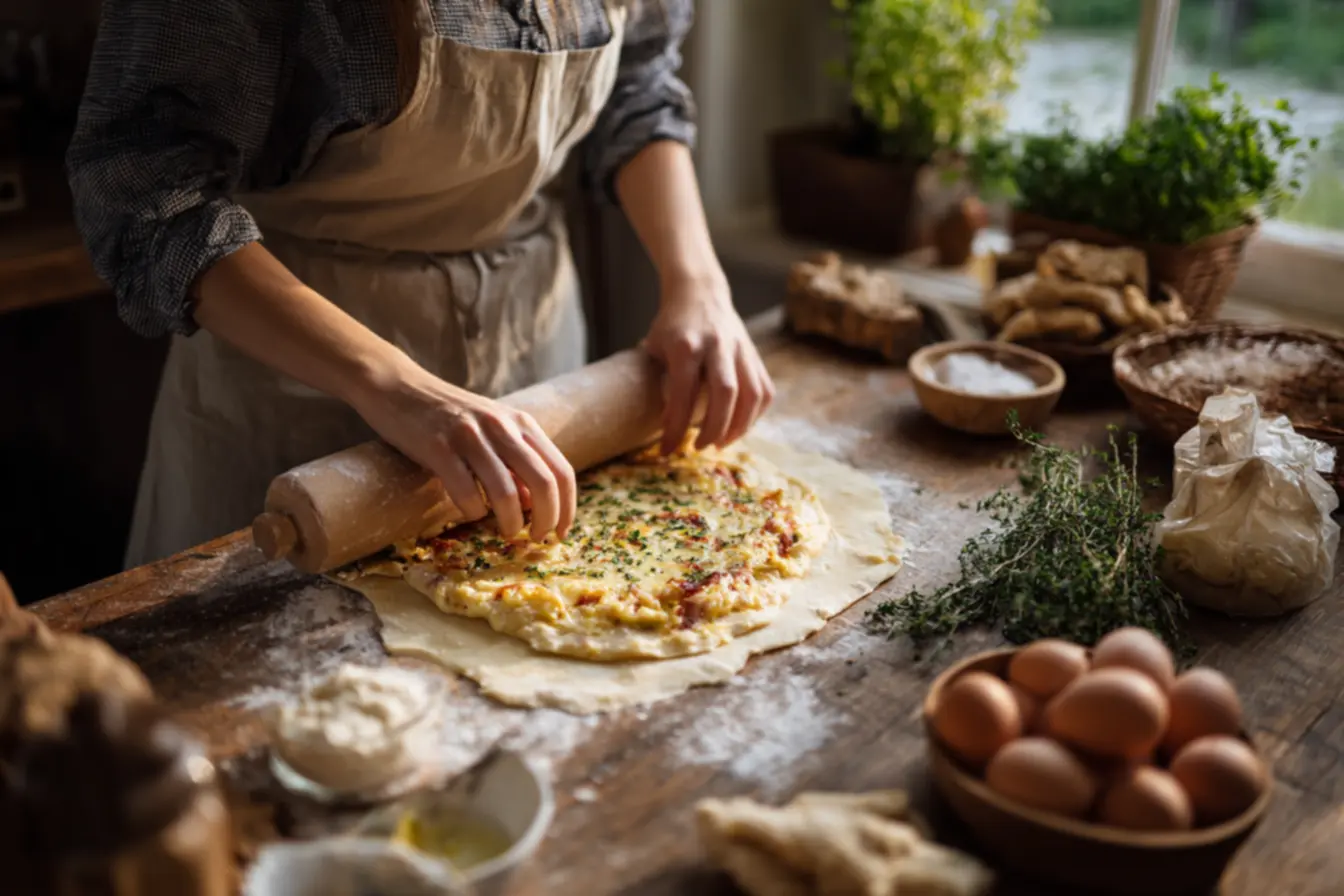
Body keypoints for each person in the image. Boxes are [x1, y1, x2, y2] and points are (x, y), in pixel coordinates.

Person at [68, 0, 773, 568]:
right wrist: (395, 387)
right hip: (300, 387)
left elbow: (638, 86)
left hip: (534, 351)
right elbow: (147, 194)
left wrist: (698, 284)